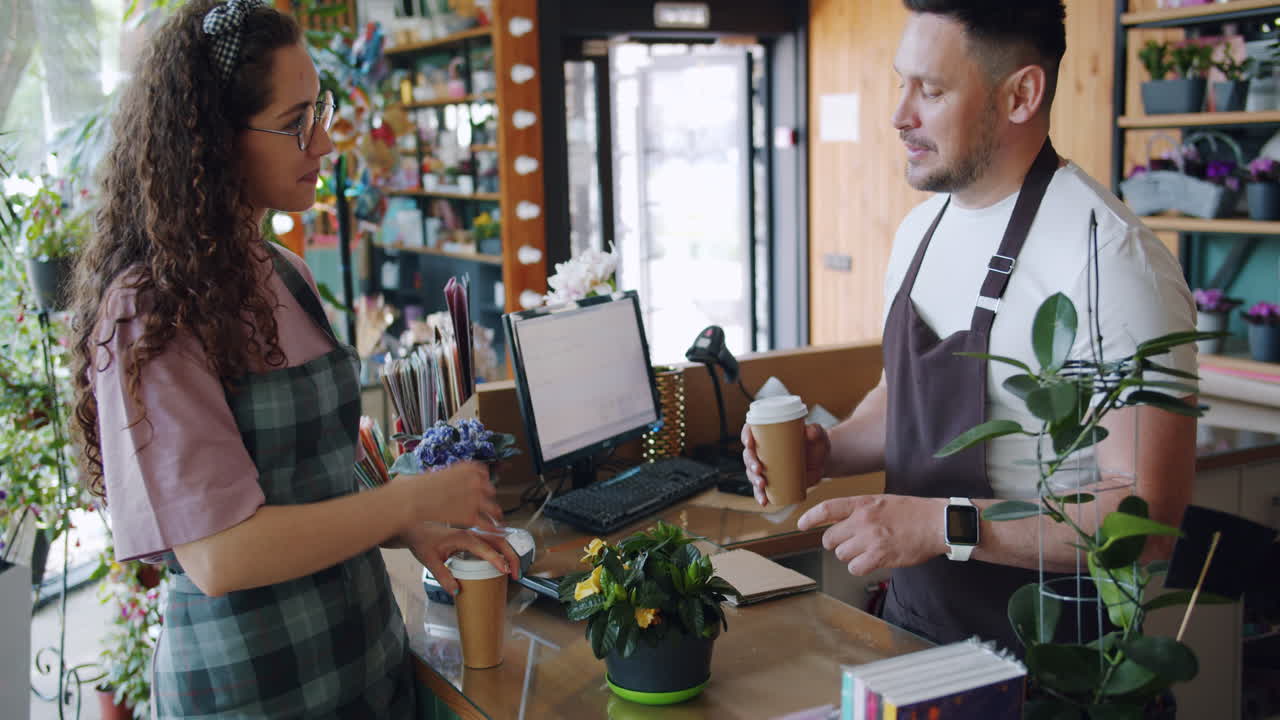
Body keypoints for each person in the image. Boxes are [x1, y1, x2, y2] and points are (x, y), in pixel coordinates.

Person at [68, 1, 517, 716]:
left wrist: (405, 525)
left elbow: (317, 479)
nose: (326, 142)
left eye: (323, 108)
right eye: (295, 121)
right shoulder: (151, 311)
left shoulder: (288, 276)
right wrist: (401, 500)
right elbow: (220, 556)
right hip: (254, 690)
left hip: (363, 664)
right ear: (214, 141)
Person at [742, 0, 1198, 652]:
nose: (900, 116)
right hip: (917, 631)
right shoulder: (919, 231)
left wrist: (943, 525)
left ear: (1021, 94)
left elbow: (1146, 522)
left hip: (1050, 671)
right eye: (901, 83)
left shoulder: (1114, 263)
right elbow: (906, 395)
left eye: (931, 90)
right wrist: (830, 449)